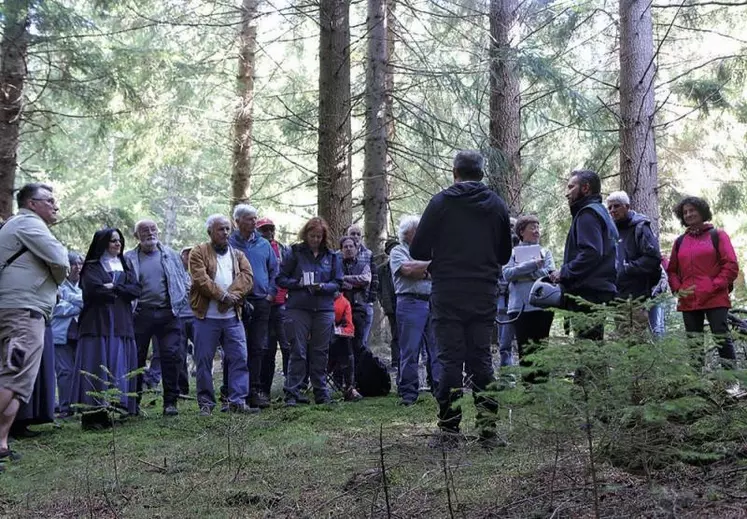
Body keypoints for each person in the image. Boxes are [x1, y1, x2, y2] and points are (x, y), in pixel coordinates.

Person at [410, 151, 512, 448]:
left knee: (449, 360)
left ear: (454, 172)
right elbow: (504, 255)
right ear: (481, 174)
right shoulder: (496, 205)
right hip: (483, 291)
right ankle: (488, 433)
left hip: (448, 291)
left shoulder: (441, 202)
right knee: (481, 359)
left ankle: (449, 432)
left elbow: (418, 251)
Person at [0, 183, 69, 467]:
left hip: (22, 309)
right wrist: (56, 277)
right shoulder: (28, 223)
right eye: (49, 200)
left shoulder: (20, 225)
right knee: (14, 374)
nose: (55, 206)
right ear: (31, 203)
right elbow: (61, 259)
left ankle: (1, 443)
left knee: (20, 382)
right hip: (22, 313)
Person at [71, 228, 141, 421]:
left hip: (121, 321)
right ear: (103, 243)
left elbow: (136, 290)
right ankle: (94, 412)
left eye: (119, 240)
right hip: (97, 323)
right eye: (112, 241)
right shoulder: (92, 266)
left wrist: (115, 287)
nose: (117, 244)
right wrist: (120, 291)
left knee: (119, 361)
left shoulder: (125, 264)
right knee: (97, 361)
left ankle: (119, 406)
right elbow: (94, 291)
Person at [190, 215, 255, 416]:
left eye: (227, 229)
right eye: (220, 229)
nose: (225, 233)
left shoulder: (238, 255)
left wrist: (232, 296)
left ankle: (237, 400)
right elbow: (201, 279)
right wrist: (222, 296)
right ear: (210, 232)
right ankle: (206, 404)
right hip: (206, 317)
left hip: (232, 317)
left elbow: (247, 278)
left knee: (239, 358)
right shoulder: (198, 252)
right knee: (203, 361)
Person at [666, 196, 739, 373]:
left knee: (721, 338)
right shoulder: (680, 242)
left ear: (702, 212)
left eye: (692, 210)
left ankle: (732, 383)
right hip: (688, 299)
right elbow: (672, 270)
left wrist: (714, 285)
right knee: (694, 342)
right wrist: (678, 289)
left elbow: (730, 265)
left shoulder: (718, 235)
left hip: (715, 297)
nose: (689, 214)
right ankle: (697, 385)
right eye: (685, 212)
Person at [124, 220, 189, 416]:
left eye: (153, 229)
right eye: (144, 230)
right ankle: (133, 404)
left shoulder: (170, 255)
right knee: (136, 358)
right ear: (137, 236)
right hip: (140, 314)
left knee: (171, 356)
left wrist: (180, 301)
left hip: (168, 314)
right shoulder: (129, 258)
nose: (150, 233)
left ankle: (170, 402)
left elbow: (183, 281)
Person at [278, 217, 343, 407]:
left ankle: (321, 392)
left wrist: (322, 286)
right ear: (305, 235)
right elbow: (281, 278)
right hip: (298, 307)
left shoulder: (332, 256)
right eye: (312, 236)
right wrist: (297, 284)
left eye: (318, 236)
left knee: (320, 351)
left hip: (323, 307)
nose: (315, 239)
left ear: (324, 237)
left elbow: (338, 283)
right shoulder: (295, 252)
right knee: (297, 350)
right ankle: (293, 392)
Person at [549, 170, 618, 341]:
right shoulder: (599, 211)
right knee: (592, 349)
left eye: (571, 187)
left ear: (586, 188)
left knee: (587, 352)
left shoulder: (588, 214)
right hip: (595, 292)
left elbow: (591, 253)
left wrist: (564, 272)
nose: (567, 193)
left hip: (587, 295)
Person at [229, 205, 278, 409]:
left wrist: (270, 294)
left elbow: (275, 270)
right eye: (249, 219)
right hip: (236, 301)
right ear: (237, 221)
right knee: (237, 348)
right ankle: (233, 391)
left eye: (255, 219)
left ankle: (255, 390)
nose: (254, 223)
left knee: (258, 347)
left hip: (261, 301)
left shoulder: (263, 244)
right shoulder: (229, 242)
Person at [390, 216, 440, 406]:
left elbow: (438, 270)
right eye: (417, 230)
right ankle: (408, 393)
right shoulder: (398, 251)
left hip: (432, 302)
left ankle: (438, 387)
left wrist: (424, 271)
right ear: (407, 233)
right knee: (410, 350)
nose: (421, 233)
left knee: (436, 349)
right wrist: (430, 269)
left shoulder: (428, 251)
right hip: (409, 302)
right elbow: (408, 270)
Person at [503, 215, 555, 383]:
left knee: (542, 347)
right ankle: (527, 386)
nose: (536, 231)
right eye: (532, 227)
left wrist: (523, 273)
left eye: (538, 227)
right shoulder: (511, 253)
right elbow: (508, 274)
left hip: (542, 307)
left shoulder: (545, 252)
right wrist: (533, 265)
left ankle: (542, 385)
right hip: (519, 307)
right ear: (521, 231)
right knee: (524, 348)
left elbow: (550, 274)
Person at [606, 191, 662, 333]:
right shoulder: (611, 231)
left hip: (637, 295)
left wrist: (627, 269)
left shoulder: (640, 227)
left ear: (627, 206)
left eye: (616, 206)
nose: (613, 210)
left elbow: (653, 258)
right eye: (610, 207)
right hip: (617, 294)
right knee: (622, 336)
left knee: (637, 339)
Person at [257, 217, 291, 392]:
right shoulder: (255, 250)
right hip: (263, 305)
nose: (268, 232)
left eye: (271, 229)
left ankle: (290, 385)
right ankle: (264, 388)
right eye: (264, 230)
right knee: (266, 348)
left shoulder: (285, 250)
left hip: (283, 305)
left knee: (287, 346)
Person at [51, 251, 84, 417]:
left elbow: (87, 299)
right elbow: (55, 307)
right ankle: (65, 408)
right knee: (65, 372)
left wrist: (69, 299)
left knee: (81, 371)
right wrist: (78, 305)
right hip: (60, 335)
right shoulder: (56, 283)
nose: (77, 267)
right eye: (73, 264)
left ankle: (79, 405)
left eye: (80, 264)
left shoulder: (85, 284)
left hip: (81, 335)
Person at [340, 235, 372, 375]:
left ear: (356, 248)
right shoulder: (336, 265)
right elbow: (335, 281)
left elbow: (365, 279)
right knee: (340, 344)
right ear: (341, 249)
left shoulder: (363, 265)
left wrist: (346, 280)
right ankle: (341, 379)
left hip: (359, 308)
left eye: (351, 246)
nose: (348, 249)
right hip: (340, 311)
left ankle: (359, 378)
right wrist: (354, 283)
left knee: (358, 343)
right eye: (345, 247)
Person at [346, 224, 378, 347]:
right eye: (352, 234)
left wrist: (371, 299)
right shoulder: (340, 253)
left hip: (364, 300)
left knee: (362, 340)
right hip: (346, 301)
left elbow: (373, 278)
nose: (355, 236)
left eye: (358, 234)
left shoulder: (368, 254)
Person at [329, 292, 362, 401]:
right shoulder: (316, 299)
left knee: (345, 343)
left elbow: (349, 328)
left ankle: (349, 387)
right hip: (317, 343)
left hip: (335, 344)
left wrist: (337, 331)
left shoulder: (344, 302)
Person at [497, 217, 519, 367]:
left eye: (512, 226)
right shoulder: (495, 247)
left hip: (518, 298)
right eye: (507, 226)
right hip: (501, 298)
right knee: (504, 342)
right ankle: (507, 378)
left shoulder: (522, 249)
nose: (510, 229)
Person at [376, 238, 399, 371]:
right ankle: (396, 361)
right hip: (391, 305)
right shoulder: (382, 270)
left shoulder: (405, 265)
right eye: (391, 249)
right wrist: (383, 302)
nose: (394, 251)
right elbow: (378, 288)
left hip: (406, 303)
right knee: (396, 334)